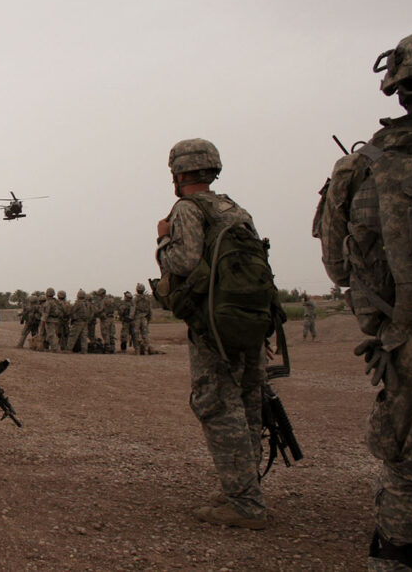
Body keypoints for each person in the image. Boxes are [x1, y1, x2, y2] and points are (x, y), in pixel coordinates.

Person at [315, 29, 412, 569]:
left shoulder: (360, 169)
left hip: (408, 344)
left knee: (408, 474)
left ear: (397, 87)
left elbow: (336, 267)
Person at [155, 138, 269, 530]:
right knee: (249, 402)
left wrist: (162, 239)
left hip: (214, 324)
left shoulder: (187, 209)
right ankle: (244, 487)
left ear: (179, 172)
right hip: (249, 320)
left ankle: (245, 503)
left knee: (219, 406)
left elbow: (184, 261)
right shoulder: (235, 210)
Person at [134, 283, 153, 355]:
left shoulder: (136, 299)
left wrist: (131, 317)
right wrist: (149, 318)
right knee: (145, 334)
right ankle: (145, 350)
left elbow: (133, 309)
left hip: (137, 318)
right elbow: (150, 309)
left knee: (136, 333)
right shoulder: (147, 299)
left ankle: (137, 350)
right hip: (145, 318)